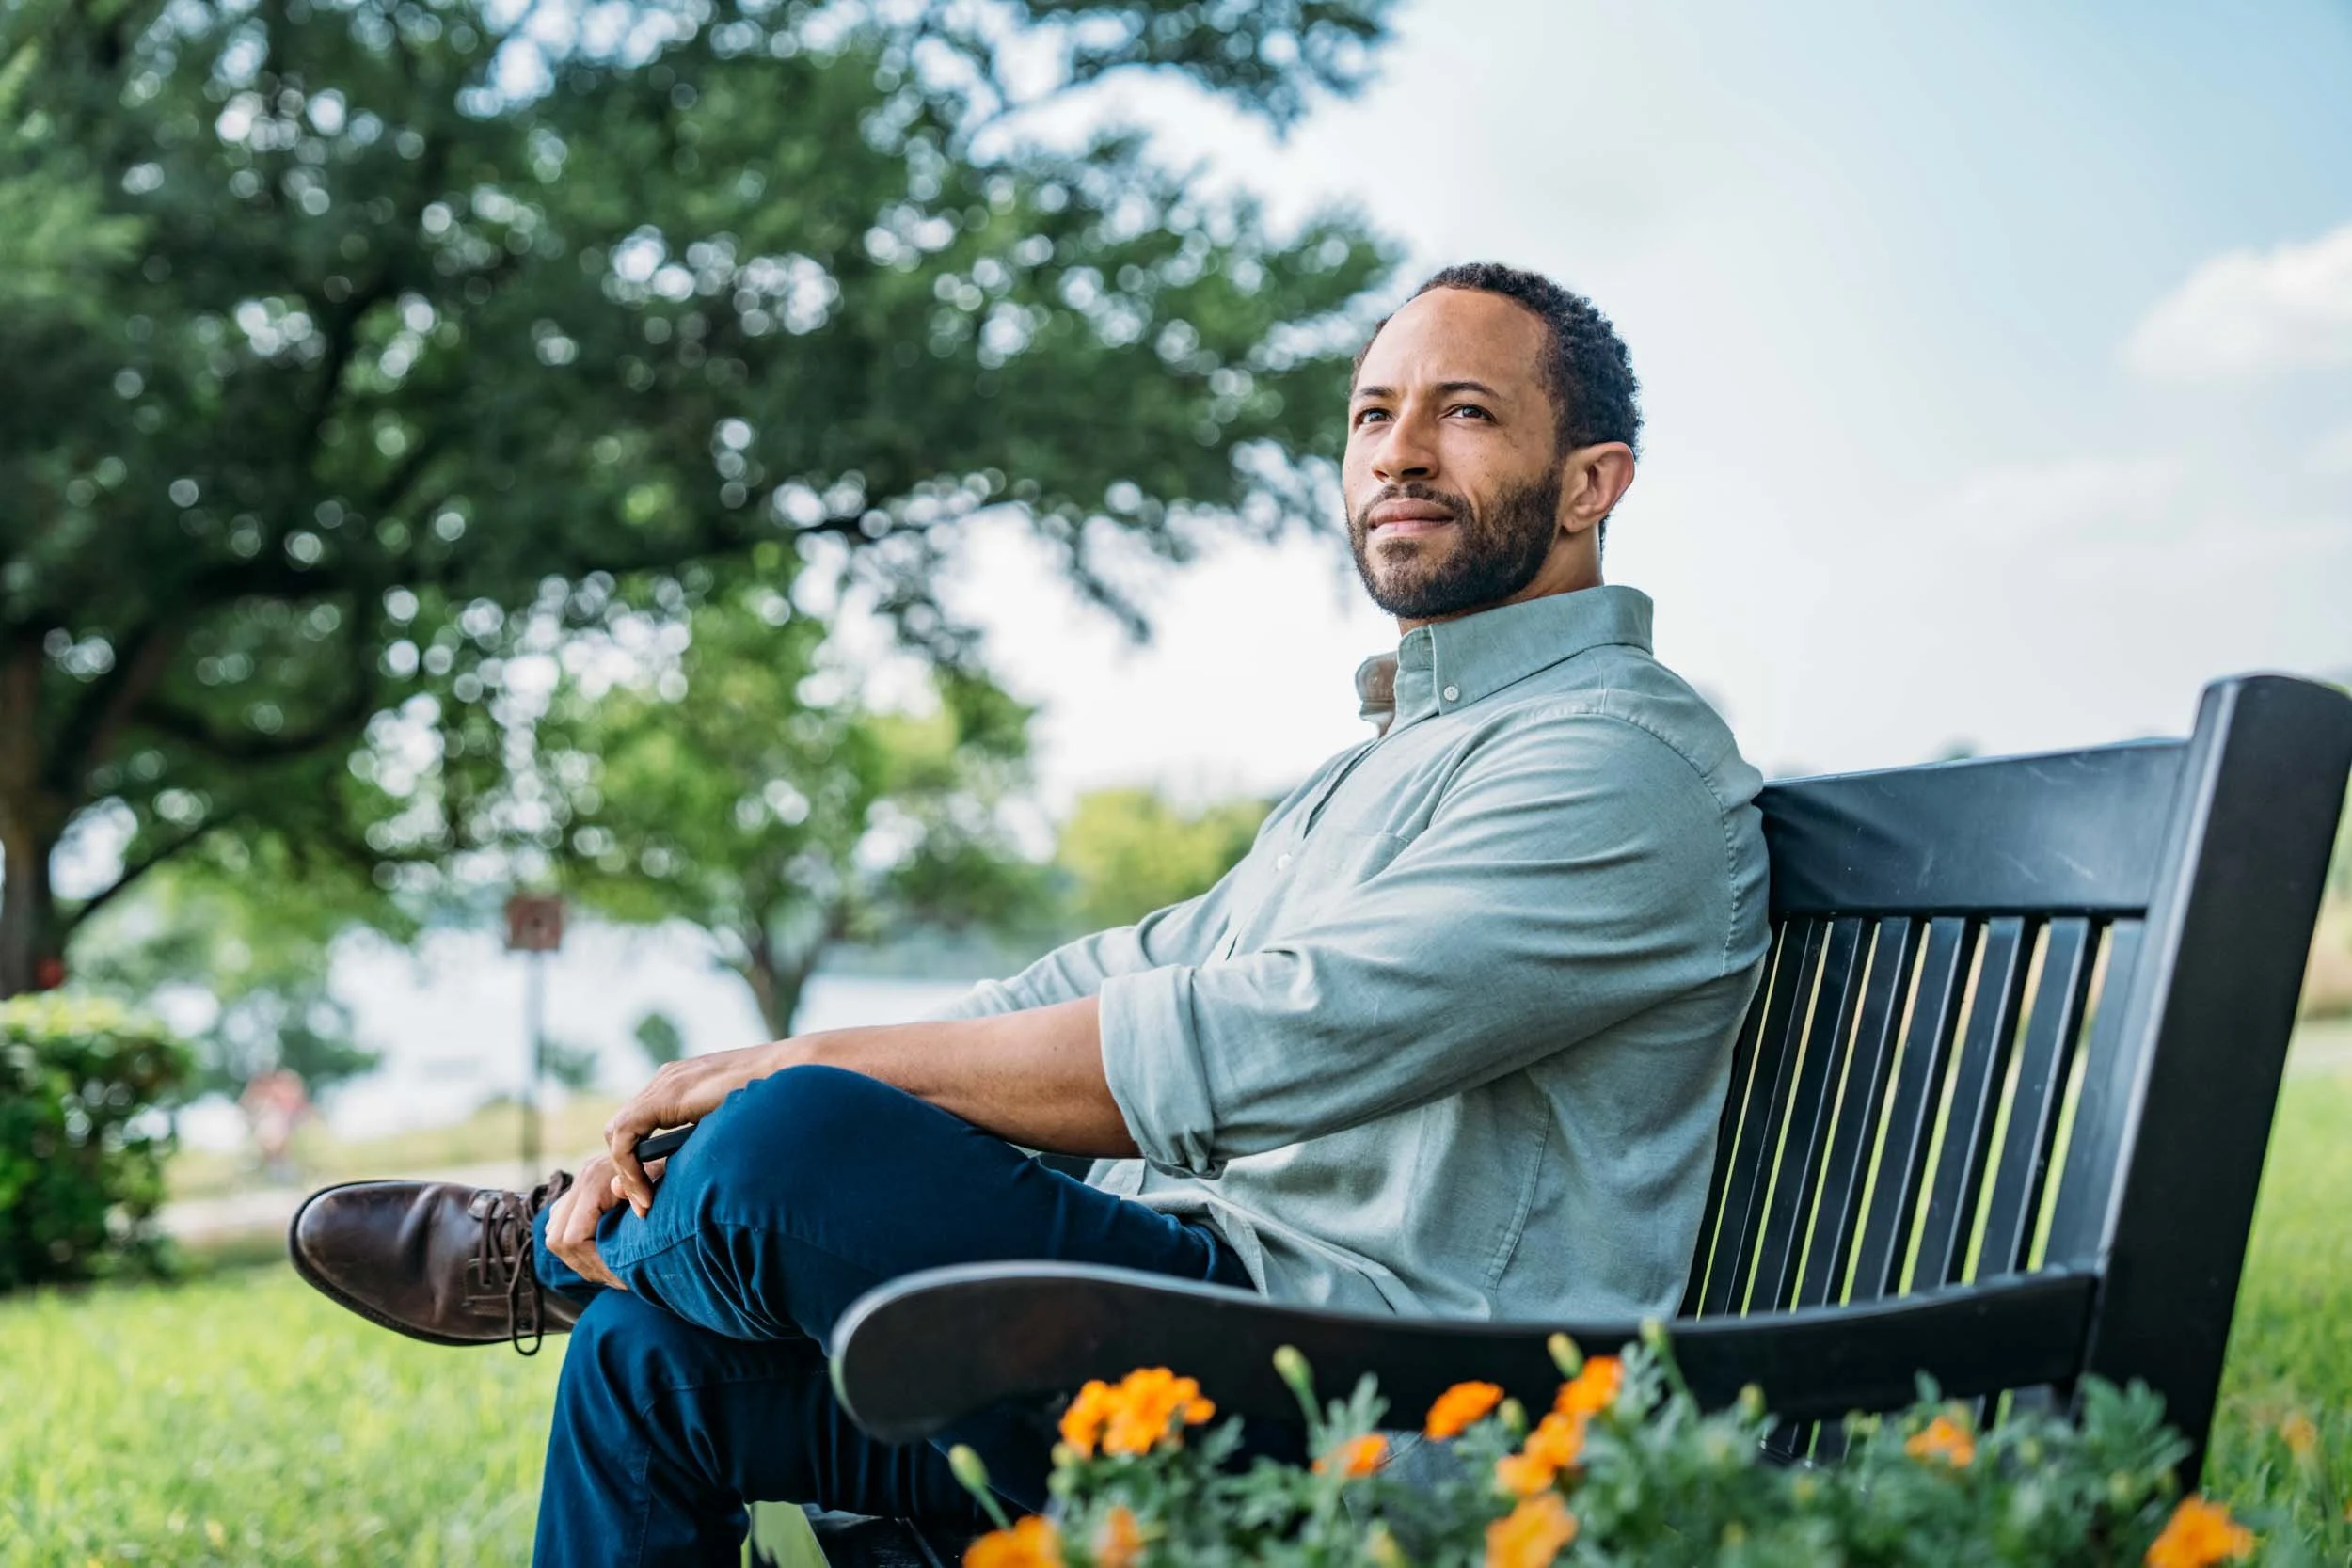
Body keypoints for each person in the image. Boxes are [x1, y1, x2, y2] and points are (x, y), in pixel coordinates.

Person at [289, 262, 1772, 1567]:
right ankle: (593, 1259)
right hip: (1218, 1331)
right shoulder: (1390, 762)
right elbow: (1126, 967)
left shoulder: (1612, 763)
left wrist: (806, 1080)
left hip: (1380, 1393)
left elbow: (1259, 1041)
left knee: (793, 1141)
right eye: (1372, 414)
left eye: (1462, 412)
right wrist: (810, 1047)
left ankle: (551, 1248)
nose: (1396, 453)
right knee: (641, 1360)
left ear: (1592, 481)